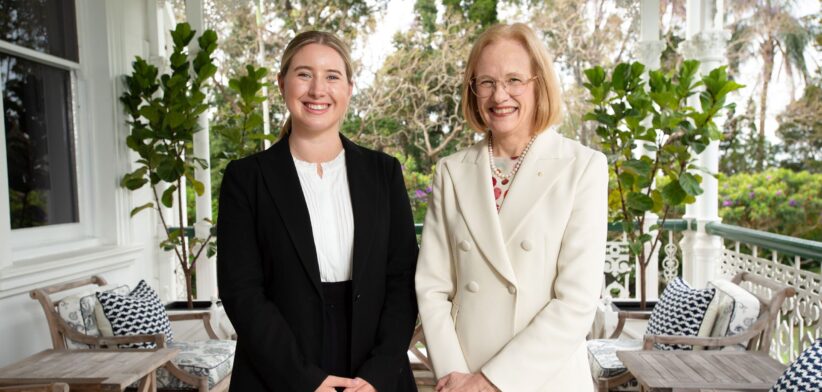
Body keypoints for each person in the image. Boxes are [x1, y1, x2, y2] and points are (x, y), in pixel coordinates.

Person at [217, 31, 419, 392]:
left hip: (373, 373)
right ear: (282, 84)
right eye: (304, 74)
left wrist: (379, 374)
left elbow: (401, 280)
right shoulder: (246, 178)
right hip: (277, 373)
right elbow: (242, 292)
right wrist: (303, 379)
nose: (317, 89)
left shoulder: (384, 173)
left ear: (350, 88)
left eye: (331, 76)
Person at [415, 23, 607, 392]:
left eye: (514, 79)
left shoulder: (582, 166)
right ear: (472, 90)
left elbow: (577, 302)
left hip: (546, 378)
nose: (499, 95)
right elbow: (432, 287)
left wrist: (489, 382)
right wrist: (458, 377)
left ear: (539, 83)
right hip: (462, 375)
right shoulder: (451, 171)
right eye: (485, 82)